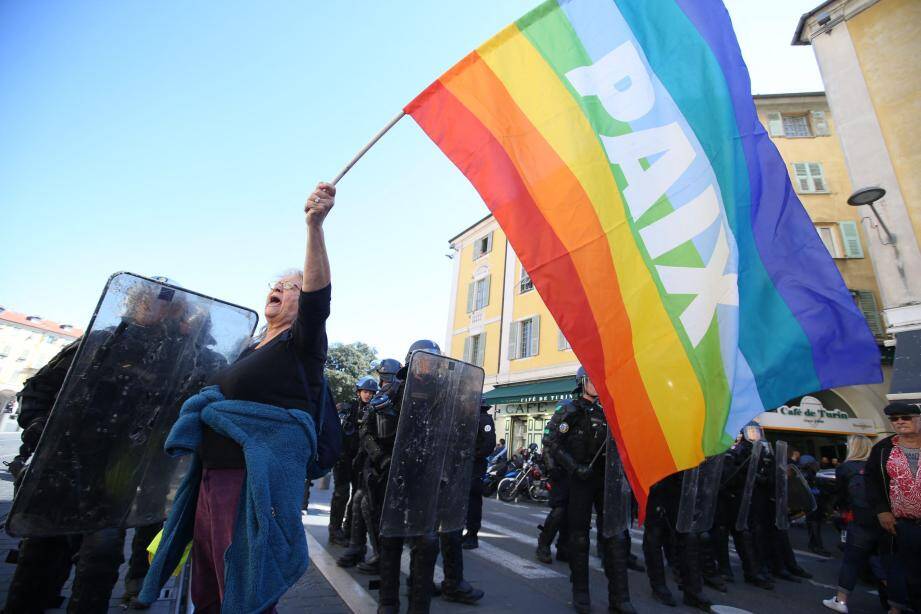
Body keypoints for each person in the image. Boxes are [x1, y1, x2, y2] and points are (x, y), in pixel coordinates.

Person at [137, 182, 337, 612]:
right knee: (209, 588)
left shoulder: (302, 344)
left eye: (291, 286)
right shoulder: (250, 347)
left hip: (250, 483)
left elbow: (320, 297)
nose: (280, 288)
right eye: (276, 283)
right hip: (212, 479)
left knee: (243, 589)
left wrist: (315, 227)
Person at [542, 366, 634, 614]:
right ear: (581, 382)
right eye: (590, 379)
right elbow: (551, 441)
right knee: (579, 536)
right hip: (580, 480)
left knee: (614, 536)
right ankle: (580, 592)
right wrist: (573, 467)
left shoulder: (609, 411)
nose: (595, 383)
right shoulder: (569, 410)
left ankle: (620, 597)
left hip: (606, 481)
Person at [365, 340, 443, 613]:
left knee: (427, 542)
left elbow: (454, 432)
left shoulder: (443, 394)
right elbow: (368, 432)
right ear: (411, 361)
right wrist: (382, 459)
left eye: (434, 361)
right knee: (391, 538)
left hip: (425, 477)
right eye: (424, 360)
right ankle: (388, 602)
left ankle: (419, 605)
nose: (428, 366)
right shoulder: (392, 391)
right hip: (393, 475)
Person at [865, 402, 921, 614]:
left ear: (918, 418)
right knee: (907, 574)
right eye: (894, 419)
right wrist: (881, 510)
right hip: (903, 525)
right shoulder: (883, 448)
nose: (899, 422)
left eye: (905, 418)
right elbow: (871, 481)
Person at [822, 435, 887, 613]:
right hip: (884, 519)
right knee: (883, 561)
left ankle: (841, 601)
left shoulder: (846, 468)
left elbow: (841, 495)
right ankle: (895, 604)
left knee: (851, 561)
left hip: (860, 520)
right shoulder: (879, 466)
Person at [329, 377, 378, 546]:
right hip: (343, 458)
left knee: (357, 496)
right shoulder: (347, 408)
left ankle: (349, 528)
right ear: (359, 392)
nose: (368, 395)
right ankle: (334, 531)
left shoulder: (375, 411)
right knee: (341, 493)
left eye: (371, 393)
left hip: (360, 461)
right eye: (365, 392)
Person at [462, 397, 496, 549]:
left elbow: (489, 444)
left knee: (473, 501)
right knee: (465, 501)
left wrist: (474, 455)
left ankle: (472, 535)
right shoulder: (470, 418)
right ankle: (467, 533)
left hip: (475, 466)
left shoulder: (484, 420)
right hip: (465, 464)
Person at [800, 454, 832, 556]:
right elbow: (811, 489)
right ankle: (817, 546)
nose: (816, 464)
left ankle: (813, 544)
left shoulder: (806, 473)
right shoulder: (808, 474)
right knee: (814, 524)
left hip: (811, 502)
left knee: (813, 524)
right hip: (813, 502)